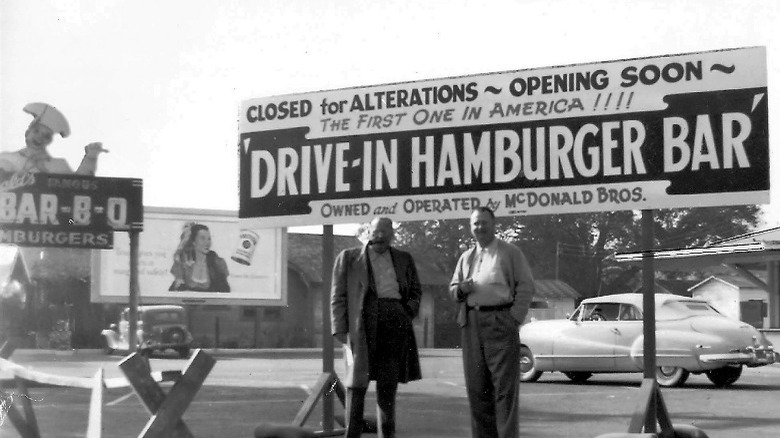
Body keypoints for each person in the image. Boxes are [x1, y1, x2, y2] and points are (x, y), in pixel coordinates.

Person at [331, 217, 422, 438]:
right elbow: (338, 296)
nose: (379, 235)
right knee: (356, 386)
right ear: (368, 232)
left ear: (392, 234)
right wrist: (340, 329)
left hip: (394, 325)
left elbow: (416, 292)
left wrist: (406, 312)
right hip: (361, 327)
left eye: (384, 231)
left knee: (387, 389)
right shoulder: (349, 258)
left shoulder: (403, 259)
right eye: (375, 231)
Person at [449, 207, 535, 438]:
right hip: (471, 322)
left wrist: (514, 317)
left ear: (494, 224)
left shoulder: (509, 252)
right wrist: (460, 289)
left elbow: (526, 286)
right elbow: (453, 288)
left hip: (500, 321)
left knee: (504, 391)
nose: (480, 227)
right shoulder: (466, 257)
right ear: (471, 227)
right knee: (477, 390)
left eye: (484, 223)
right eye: (475, 224)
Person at [0, 102, 108, 175]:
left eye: (46, 136)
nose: (39, 137)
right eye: (36, 131)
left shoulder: (58, 166)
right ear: (27, 132)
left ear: (50, 140)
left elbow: (80, 185)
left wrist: (90, 158)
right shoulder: (5, 159)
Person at [169, 223, 231, 292]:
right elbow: (174, 293)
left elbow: (225, 291)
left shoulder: (217, 263)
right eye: (202, 238)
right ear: (193, 242)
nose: (207, 243)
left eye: (209, 239)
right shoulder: (184, 264)